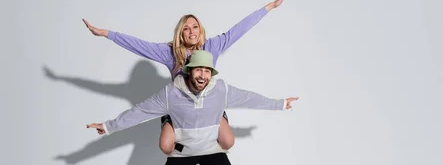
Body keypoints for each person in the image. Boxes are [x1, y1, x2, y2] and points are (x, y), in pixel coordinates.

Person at [82, 0, 291, 154]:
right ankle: (185, 151)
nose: (191, 31)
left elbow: (239, 30)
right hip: (180, 111)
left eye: (194, 26)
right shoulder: (170, 52)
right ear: (180, 33)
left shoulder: (213, 46)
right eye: (186, 28)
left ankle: (207, 140)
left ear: (200, 29)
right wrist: (108, 34)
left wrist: (269, 7)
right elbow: (139, 45)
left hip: (207, 107)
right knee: (166, 146)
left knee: (227, 141)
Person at [86, 50, 299, 165]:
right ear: (189, 71)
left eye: (207, 71)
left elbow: (248, 98)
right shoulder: (171, 93)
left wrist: (279, 104)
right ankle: (169, 120)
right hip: (182, 154)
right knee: (165, 144)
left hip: (211, 149)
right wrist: (108, 126)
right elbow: (140, 111)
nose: (202, 76)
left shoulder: (220, 90)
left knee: (228, 141)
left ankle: (218, 117)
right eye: (198, 71)